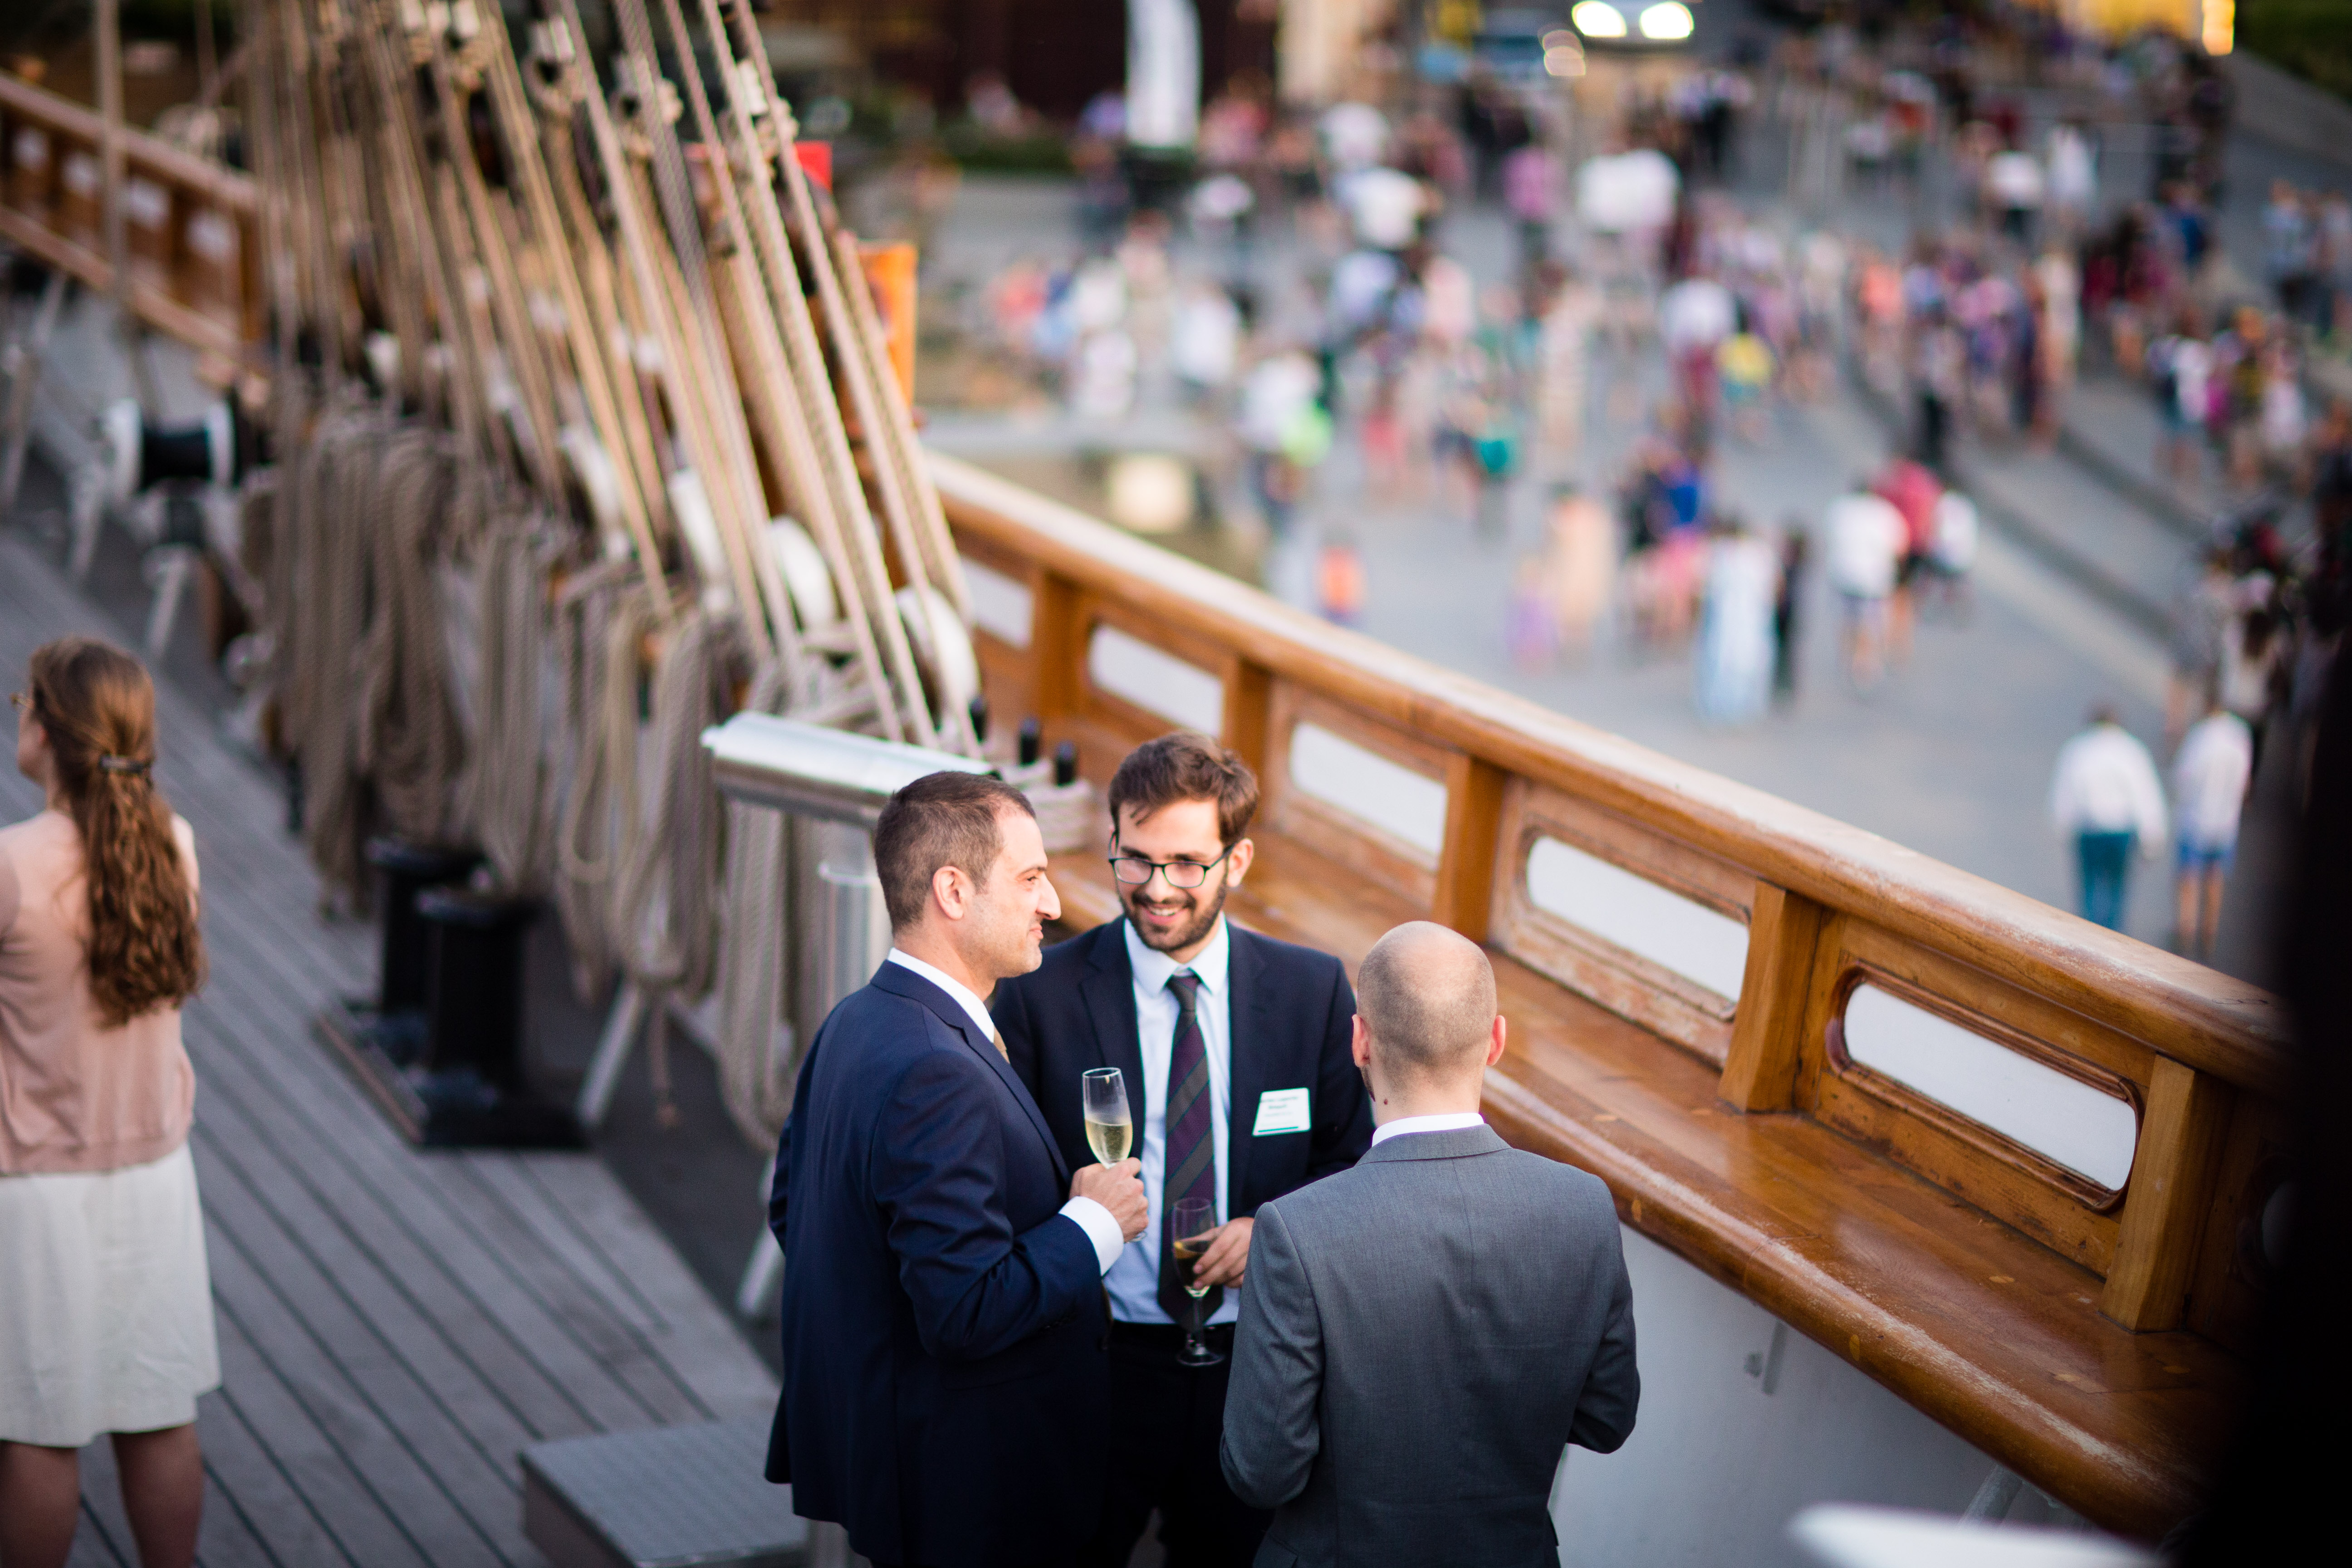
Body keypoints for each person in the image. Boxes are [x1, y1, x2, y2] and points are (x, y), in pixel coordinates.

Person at [997, 734, 1371, 1568]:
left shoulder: (1313, 992)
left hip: (1254, 1370)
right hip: (1098, 1362)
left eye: (1185, 864)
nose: (1156, 889)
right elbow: (1006, 1184)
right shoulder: (1040, 996)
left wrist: (1274, 1229)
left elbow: (1355, 1165)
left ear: (1236, 862)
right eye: (1135, 861)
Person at [765, 771, 1150, 1568]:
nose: (1051, 904)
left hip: (894, 1454)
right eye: (1030, 878)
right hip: (965, 1491)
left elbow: (791, 1207)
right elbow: (964, 1309)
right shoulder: (937, 1070)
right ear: (952, 889)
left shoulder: (856, 1019)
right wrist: (1095, 1225)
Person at [1219, 922, 1638, 1567]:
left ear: (1360, 1041)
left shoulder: (1299, 1231)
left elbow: (1262, 1472)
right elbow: (1607, 1420)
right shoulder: (1583, 1208)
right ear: (1496, 1041)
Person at [1, 637, 215, 1568]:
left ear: (43, 731)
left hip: (38, 1186)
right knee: (156, 1414)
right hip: (156, 1178)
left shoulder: (11, 867)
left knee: (42, 1431)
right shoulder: (174, 843)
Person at [2047, 705, 2169, 933]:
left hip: (2089, 830)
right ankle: (2113, 935)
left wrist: (2061, 829)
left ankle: (2089, 935)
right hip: (2121, 831)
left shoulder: (2078, 750)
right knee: (2117, 890)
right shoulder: (2131, 750)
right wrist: (2152, 838)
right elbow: (2145, 795)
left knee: (2090, 888)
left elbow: (2064, 793)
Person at [2173, 699, 2254, 960]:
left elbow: (2184, 777)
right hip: (2226, 823)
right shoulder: (2240, 736)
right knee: (2215, 878)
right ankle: (2210, 931)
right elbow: (2245, 781)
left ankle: (2186, 929)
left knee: (2189, 878)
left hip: (2196, 819)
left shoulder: (2200, 737)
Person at [1823, 482, 1906, 689]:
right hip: (1873, 579)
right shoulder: (1886, 514)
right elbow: (1900, 547)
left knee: (1848, 619)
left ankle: (1848, 658)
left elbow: (1831, 537)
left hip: (1844, 575)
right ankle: (1864, 664)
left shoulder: (1840, 509)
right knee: (1869, 622)